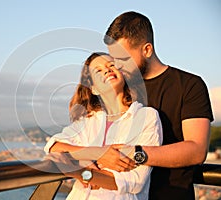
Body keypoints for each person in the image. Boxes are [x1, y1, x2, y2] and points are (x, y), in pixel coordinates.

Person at [102, 11, 214, 200]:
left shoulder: (189, 85)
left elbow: (196, 150)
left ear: (147, 50)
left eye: (123, 59)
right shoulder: (121, 89)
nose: (117, 66)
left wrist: (135, 153)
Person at [44, 52, 163, 199]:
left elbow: (135, 181)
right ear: (93, 89)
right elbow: (54, 147)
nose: (107, 70)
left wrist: (79, 171)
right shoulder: (88, 121)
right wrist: (97, 153)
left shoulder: (146, 116)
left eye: (111, 65)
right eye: (98, 71)